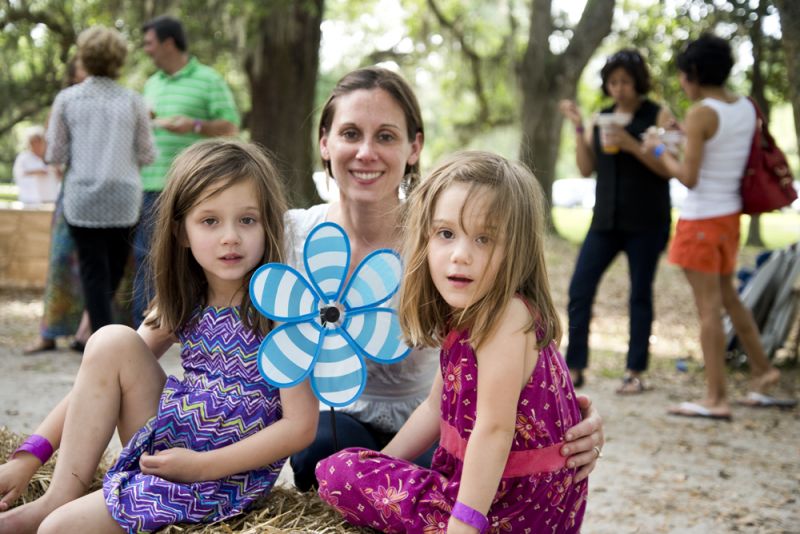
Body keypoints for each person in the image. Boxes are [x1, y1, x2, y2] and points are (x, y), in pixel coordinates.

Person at [289, 66, 604, 493]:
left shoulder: (445, 236)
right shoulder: (292, 235)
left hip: (440, 422)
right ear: (324, 142)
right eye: (349, 133)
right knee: (322, 449)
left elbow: (520, 337)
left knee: (446, 472)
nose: (366, 152)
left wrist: (577, 417)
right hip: (338, 419)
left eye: (385, 136)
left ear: (414, 146)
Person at [0, 139, 318, 533]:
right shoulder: (184, 299)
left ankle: (66, 512)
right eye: (210, 221)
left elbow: (300, 426)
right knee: (110, 341)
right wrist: (29, 457)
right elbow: (96, 378)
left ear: (268, 223)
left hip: (225, 476)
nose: (230, 237)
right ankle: (59, 494)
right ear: (182, 232)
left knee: (57, 531)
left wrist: (202, 467)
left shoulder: (283, 308)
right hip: (173, 439)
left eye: (247, 220)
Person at [317, 151, 589, 532]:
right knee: (349, 466)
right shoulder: (463, 317)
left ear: (519, 249)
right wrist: (379, 464)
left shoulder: (507, 317)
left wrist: (465, 522)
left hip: (510, 507)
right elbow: (433, 409)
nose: (460, 256)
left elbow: (494, 429)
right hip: (488, 493)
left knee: (337, 471)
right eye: (446, 234)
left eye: (484, 239)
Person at [642, 34, 781, 420]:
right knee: (729, 299)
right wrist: (685, 136)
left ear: (695, 74)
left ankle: (715, 398)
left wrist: (656, 148)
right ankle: (763, 369)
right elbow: (722, 148)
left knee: (708, 310)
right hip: (729, 218)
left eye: (684, 75)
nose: (683, 82)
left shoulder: (701, 111)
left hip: (701, 218)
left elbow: (688, 176)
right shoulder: (745, 107)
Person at [558, 49, 675, 394]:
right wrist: (579, 127)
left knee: (639, 294)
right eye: (613, 82)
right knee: (580, 288)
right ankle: (575, 366)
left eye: (624, 81)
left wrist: (632, 144)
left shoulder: (657, 115)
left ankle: (634, 370)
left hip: (647, 221)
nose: (618, 88)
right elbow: (584, 167)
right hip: (605, 221)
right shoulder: (602, 117)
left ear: (637, 82)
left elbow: (668, 166)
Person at [46, 26, 155, 334]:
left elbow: (54, 152)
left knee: (93, 272)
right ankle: (102, 339)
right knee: (114, 271)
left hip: (83, 198)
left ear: (84, 57)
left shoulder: (67, 99)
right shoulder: (134, 101)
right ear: (119, 59)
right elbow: (147, 154)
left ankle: (97, 340)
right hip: (124, 198)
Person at [133, 15, 240, 328]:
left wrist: (194, 125)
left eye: (149, 43)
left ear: (168, 43)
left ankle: (192, 324)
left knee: (188, 258)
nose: (146, 50)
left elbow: (231, 126)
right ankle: (150, 327)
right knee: (146, 255)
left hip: (193, 187)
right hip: (150, 184)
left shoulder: (208, 79)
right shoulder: (151, 84)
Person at [23, 57, 92, 355]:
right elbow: (53, 152)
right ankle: (50, 332)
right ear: (75, 72)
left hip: (108, 199)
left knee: (106, 267)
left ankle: (90, 333)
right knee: (62, 260)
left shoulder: (118, 101)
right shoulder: (64, 102)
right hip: (73, 192)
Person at [12, 126, 60, 205]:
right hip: (30, 199)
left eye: (39, 142)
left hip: (51, 198)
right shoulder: (23, 158)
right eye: (34, 142)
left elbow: (60, 178)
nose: (36, 145)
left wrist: (58, 171)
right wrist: (36, 172)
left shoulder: (51, 157)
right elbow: (18, 174)